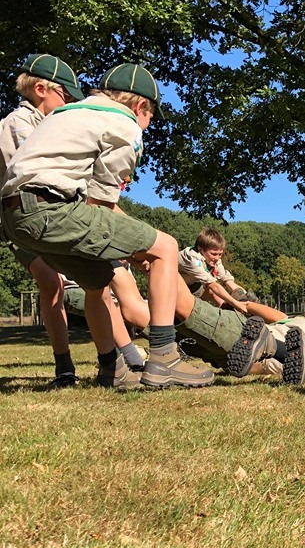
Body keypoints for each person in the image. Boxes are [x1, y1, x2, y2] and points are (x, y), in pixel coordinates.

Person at [0, 62, 213, 389]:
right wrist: (142, 248)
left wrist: (132, 244)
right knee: (167, 247)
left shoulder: (66, 113)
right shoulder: (124, 123)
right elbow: (100, 203)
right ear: (141, 106)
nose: (149, 122)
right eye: (151, 115)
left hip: (14, 219)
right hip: (52, 209)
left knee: (96, 282)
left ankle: (111, 368)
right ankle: (164, 357)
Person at [0, 54, 84, 387]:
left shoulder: (44, 125)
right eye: (64, 96)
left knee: (70, 283)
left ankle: (120, 355)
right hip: (20, 216)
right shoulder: (20, 123)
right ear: (40, 89)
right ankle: (64, 366)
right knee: (51, 282)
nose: (67, 105)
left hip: (46, 214)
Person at [178, 228, 258, 313]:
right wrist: (237, 304)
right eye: (214, 254)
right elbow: (213, 285)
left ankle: (228, 315)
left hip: (192, 283)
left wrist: (246, 297)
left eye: (220, 254)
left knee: (220, 298)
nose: (217, 258)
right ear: (200, 250)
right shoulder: (192, 259)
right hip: (172, 286)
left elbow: (228, 281)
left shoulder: (214, 260)